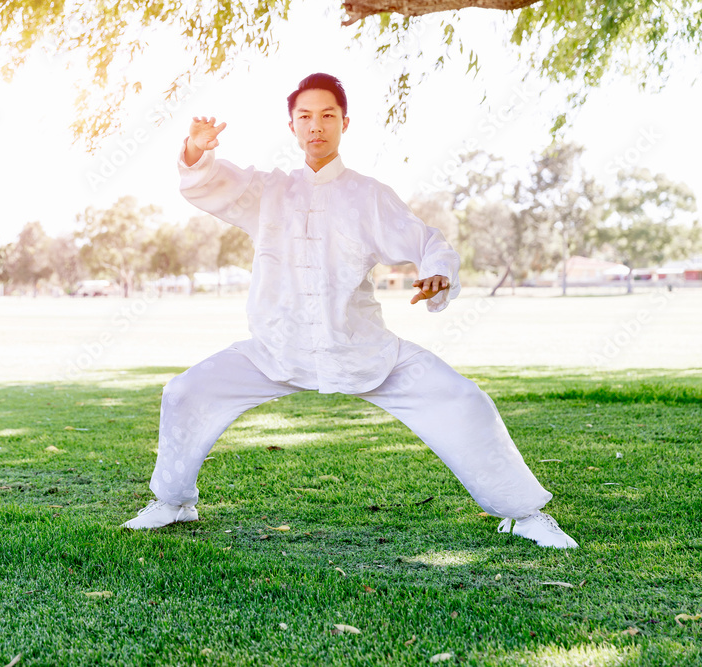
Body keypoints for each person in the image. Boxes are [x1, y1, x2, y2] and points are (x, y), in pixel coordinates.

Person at [121, 73, 577, 549]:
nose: (315, 125)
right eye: (305, 117)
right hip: (276, 347)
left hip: (362, 348)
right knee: (183, 394)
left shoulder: (368, 195)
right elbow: (209, 183)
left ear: (344, 123)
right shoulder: (268, 191)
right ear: (292, 126)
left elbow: (426, 241)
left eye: (327, 116)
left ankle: (524, 513)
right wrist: (196, 150)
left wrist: (436, 271)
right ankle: (173, 502)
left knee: (465, 402)